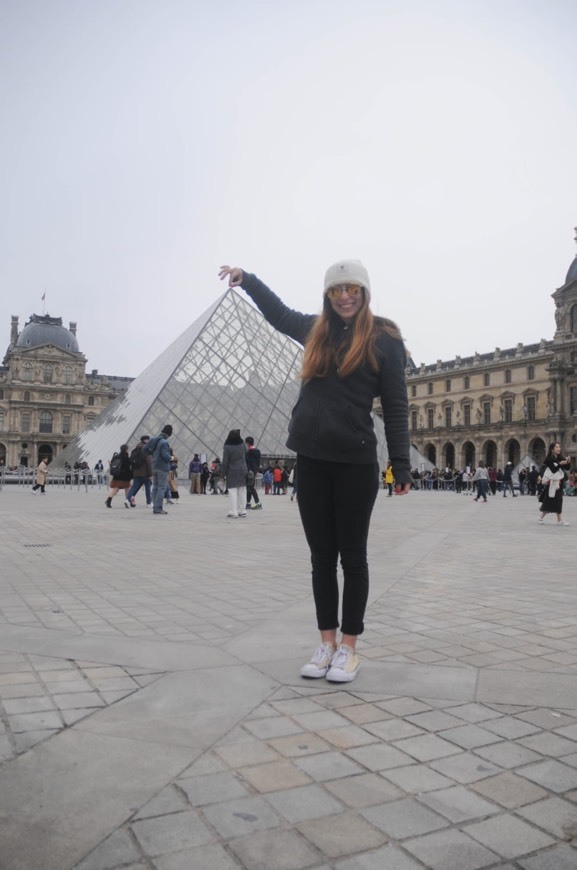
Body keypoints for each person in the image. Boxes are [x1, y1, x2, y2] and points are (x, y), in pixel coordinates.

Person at [219, 259, 411, 683]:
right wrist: (247, 280)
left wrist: (401, 466)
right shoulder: (315, 329)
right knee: (321, 559)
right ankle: (326, 643)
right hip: (312, 460)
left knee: (353, 558)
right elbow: (278, 313)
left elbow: (396, 407)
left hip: (357, 464)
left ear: (364, 292)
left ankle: (349, 648)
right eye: (337, 289)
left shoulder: (384, 339)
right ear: (328, 294)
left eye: (352, 289)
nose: (345, 296)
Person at [538, 442, 571, 526]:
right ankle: (541, 517)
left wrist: (568, 462)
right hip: (551, 483)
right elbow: (553, 470)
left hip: (559, 482)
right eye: (557, 447)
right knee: (549, 500)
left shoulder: (560, 457)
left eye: (559, 447)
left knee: (559, 500)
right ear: (552, 449)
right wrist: (560, 464)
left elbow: (567, 468)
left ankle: (559, 520)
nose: (559, 448)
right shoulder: (548, 459)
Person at [222, 429, 248, 518]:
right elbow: (246, 453)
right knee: (242, 491)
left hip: (232, 471)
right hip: (243, 470)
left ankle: (233, 511)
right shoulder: (242, 444)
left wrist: (222, 474)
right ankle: (242, 511)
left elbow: (225, 462)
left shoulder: (227, 447)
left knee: (232, 492)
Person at [148, 425, 173, 515]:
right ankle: (158, 508)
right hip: (162, 467)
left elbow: (145, 450)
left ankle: (155, 506)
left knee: (155, 487)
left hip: (154, 466)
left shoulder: (154, 440)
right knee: (162, 488)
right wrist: (171, 457)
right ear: (168, 434)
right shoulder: (164, 443)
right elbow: (165, 456)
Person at [125, 436, 152, 507]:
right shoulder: (146, 449)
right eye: (148, 440)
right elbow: (149, 462)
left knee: (134, 487)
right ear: (146, 440)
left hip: (136, 472)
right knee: (148, 488)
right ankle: (149, 503)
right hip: (145, 473)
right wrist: (150, 474)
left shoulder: (136, 449)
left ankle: (127, 499)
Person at [245, 436, 262, 510]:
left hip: (249, 472)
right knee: (249, 487)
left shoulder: (249, 452)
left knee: (251, 487)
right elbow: (258, 463)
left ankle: (258, 503)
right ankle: (248, 503)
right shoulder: (257, 451)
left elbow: (248, 463)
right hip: (254, 471)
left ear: (248, 443)